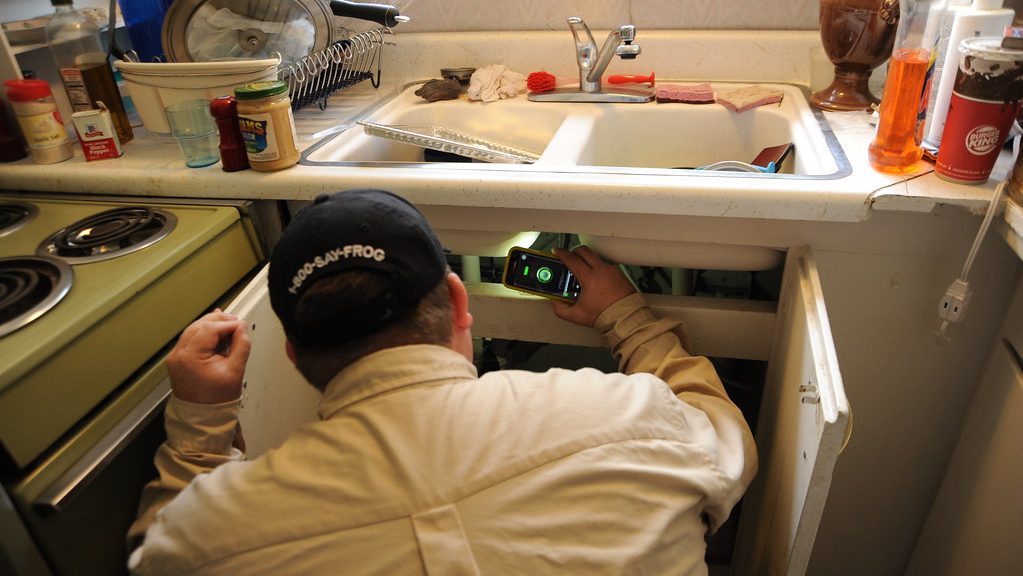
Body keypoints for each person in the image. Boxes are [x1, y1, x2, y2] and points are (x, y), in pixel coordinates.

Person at [127, 189, 757, 575]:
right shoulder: (632, 416)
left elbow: (157, 554)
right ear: (459, 303)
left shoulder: (210, 536)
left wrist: (199, 431)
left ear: (289, 354)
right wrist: (627, 317)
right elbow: (721, 426)